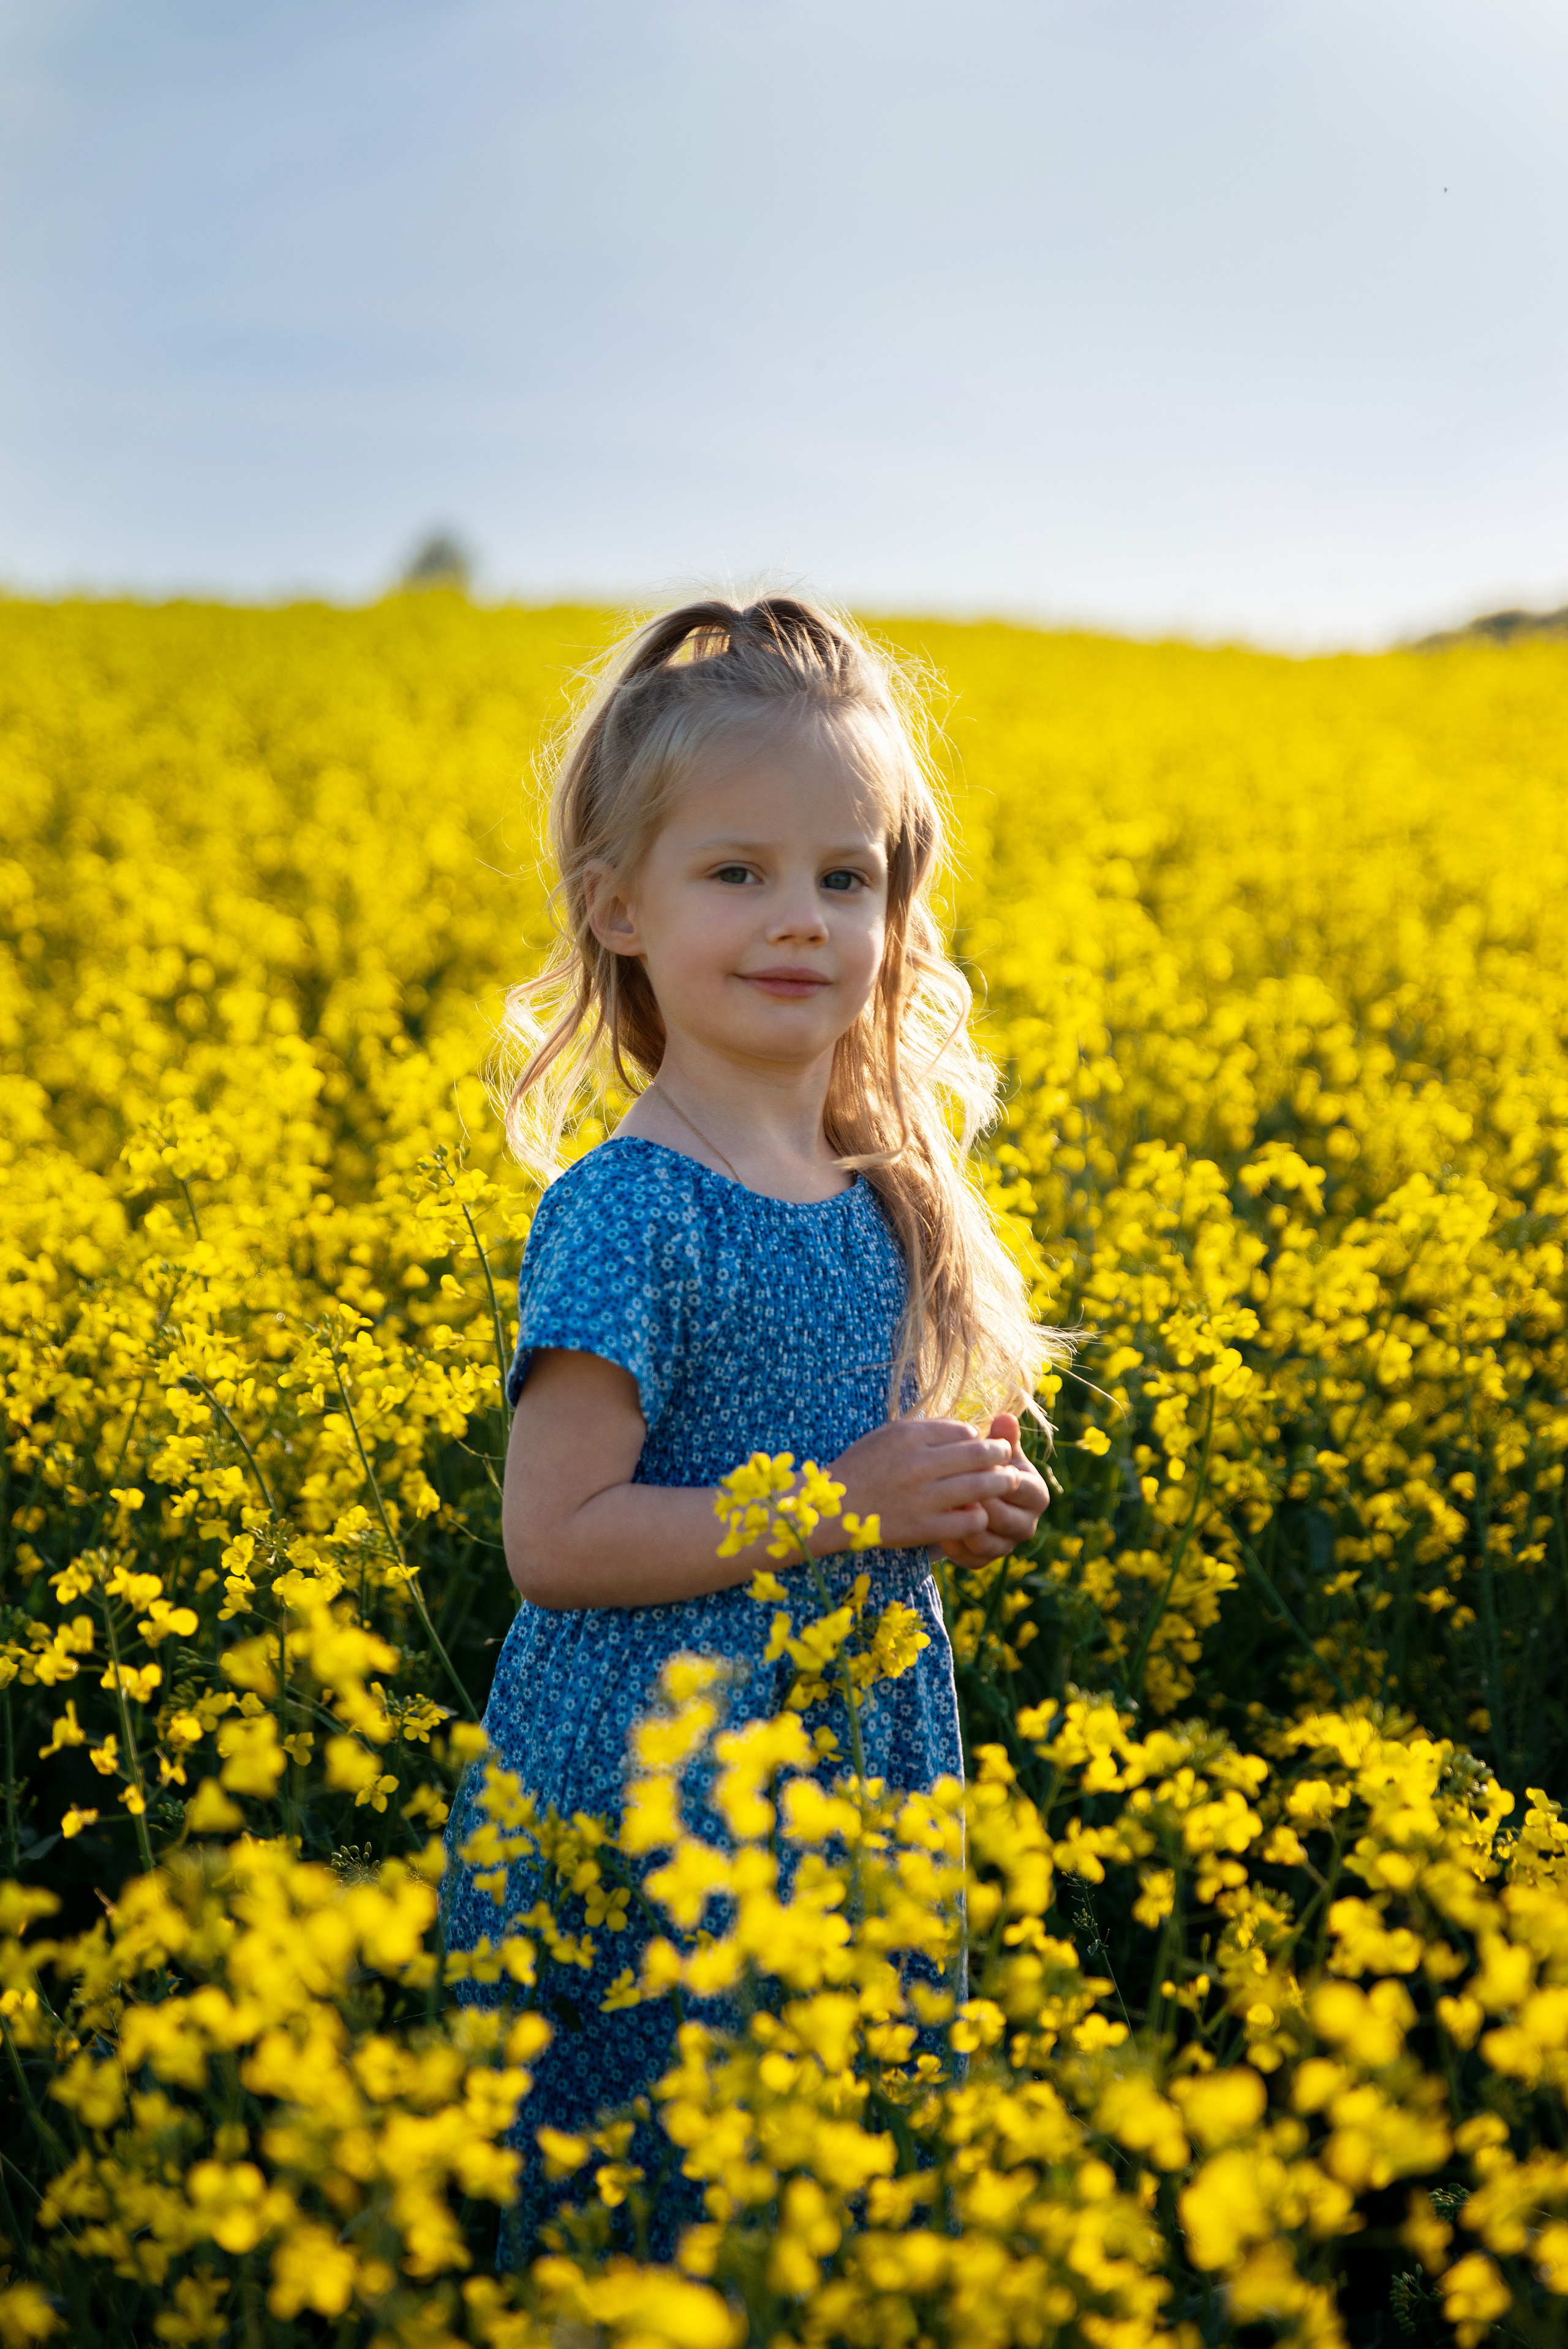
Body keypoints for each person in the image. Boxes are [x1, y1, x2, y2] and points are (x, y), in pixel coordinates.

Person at [444, 593, 1065, 2260]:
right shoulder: (624, 1210)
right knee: (646, 2239)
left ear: (895, 909)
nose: (800, 919)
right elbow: (555, 1542)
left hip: (853, 1772)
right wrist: (848, 1502)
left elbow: (868, 1491)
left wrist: (946, 1499)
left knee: (828, 2219)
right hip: (652, 1802)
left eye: (843, 877)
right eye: (739, 874)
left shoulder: (887, 1195)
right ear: (619, 909)